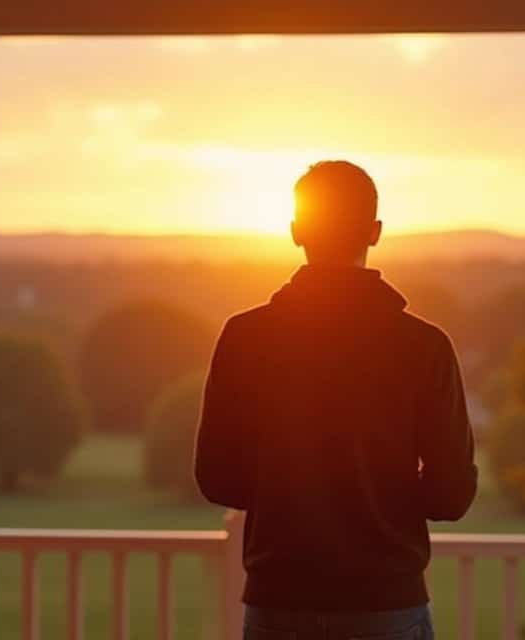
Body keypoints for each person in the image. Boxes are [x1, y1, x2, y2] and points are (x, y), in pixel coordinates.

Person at [195, 160, 478, 640]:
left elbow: (218, 479)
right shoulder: (424, 346)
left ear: (295, 231)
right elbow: (451, 496)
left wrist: (287, 485)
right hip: (387, 605)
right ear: (374, 232)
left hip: (279, 604)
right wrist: (384, 494)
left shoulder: (245, 338)